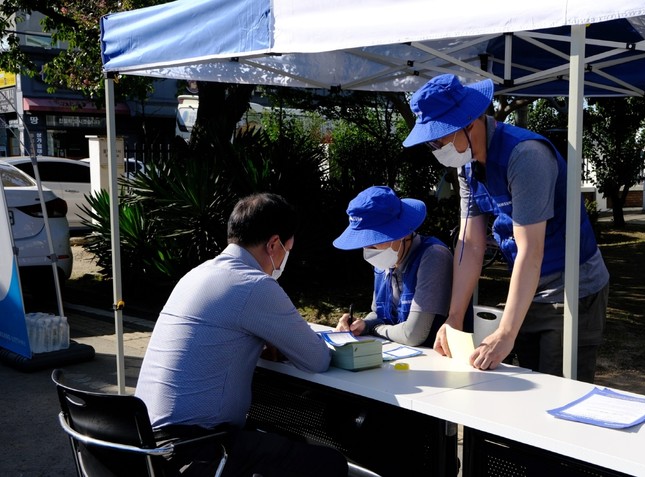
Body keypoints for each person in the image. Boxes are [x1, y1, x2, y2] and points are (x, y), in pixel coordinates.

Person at [402, 74, 609, 383]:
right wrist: (454, 318)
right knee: (526, 383)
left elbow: (531, 250)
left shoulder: (526, 156)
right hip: (530, 286)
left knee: (558, 388)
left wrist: (506, 332)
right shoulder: (467, 167)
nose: (435, 148)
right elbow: (470, 243)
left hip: (574, 289)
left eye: (438, 139)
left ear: (469, 123)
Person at [135, 192, 348, 477]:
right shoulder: (254, 284)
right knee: (330, 463)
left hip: (144, 444)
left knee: (276, 442)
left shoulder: (196, 274)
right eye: (288, 249)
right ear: (273, 244)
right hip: (193, 450)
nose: (286, 258)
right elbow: (317, 359)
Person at [333, 185, 458, 347]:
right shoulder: (386, 259)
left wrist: (374, 328)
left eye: (374, 240)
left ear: (401, 233)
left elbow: (413, 334)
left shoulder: (433, 256)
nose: (368, 249)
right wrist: (361, 324)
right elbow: (379, 315)